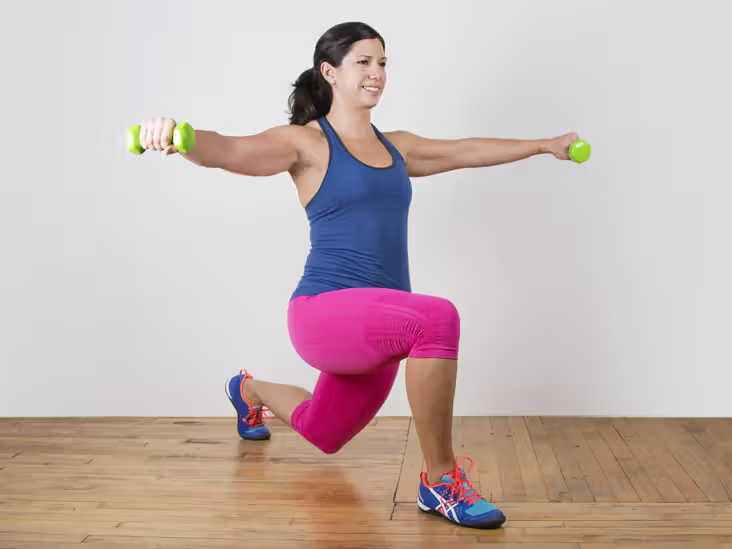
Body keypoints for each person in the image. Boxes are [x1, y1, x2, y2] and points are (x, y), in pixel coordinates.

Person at [136, 22, 581, 530]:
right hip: (322, 313)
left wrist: (543, 145)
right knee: (438, 320)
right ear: (330, 72)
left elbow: (468, 151)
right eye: (363, 62)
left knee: (323, 433)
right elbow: (230, 151)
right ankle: (439, 482)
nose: (376, 73)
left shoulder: (398, 148)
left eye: (383, 63)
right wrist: (177, 136)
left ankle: (249, 390)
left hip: (380, 326)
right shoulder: (305, 143)